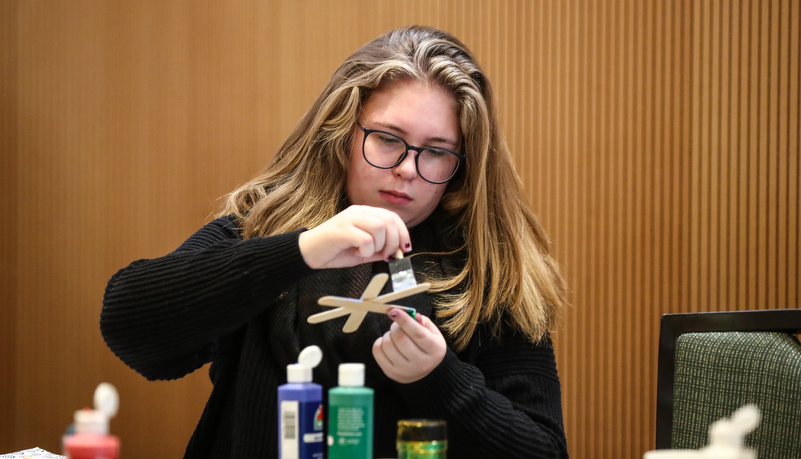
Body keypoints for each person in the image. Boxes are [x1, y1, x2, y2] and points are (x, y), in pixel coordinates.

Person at [101, 25, 569, 458]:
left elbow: (544, 450)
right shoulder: (264, 225)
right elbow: (129, 323)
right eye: (388, 139)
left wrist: (440, 379)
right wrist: (300, 250)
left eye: (436, 152)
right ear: (344, 131)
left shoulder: (490, 274)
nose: (407, 168)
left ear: (461, 168)